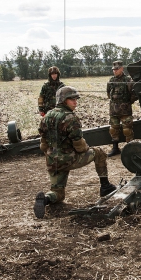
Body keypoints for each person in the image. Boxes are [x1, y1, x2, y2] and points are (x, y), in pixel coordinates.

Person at [34, 86, 117, 218]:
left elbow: (43, 145)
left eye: (76, 99)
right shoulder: (71, 118)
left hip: (52, 161)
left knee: (58, 194)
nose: (75, 102)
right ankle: (105, 186)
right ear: (63, 101)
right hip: (69, 159)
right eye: (72, 99)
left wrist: (54, 155)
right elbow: (80, 147)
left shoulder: (47, 116)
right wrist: (86, 151)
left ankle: (44, 200)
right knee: (99, 152)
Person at [106, 60, 137, 156]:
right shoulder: (111, 80)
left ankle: (130, 150)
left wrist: (126, 103)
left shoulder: (128, 80)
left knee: (127, 130)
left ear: (122, 69)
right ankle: (115, 149)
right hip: (113, 110)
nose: (115, 71)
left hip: (125, 111)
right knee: (113, 130)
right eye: (113, 69)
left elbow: (134, 95)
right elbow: (108, 94)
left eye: (117, 69)